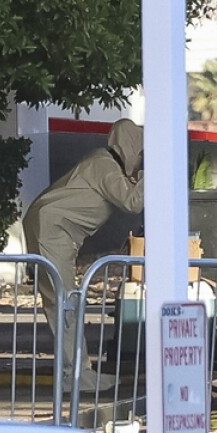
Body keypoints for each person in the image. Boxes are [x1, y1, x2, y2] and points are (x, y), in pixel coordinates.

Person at [24, 119, 145, 391]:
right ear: (130, 146)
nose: (139, 160)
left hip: (51, 228)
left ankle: (77, 372)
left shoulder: (103, 163)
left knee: (64, 302)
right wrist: (153, 174)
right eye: (139, 152)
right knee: (64, 303)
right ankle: (75, 375)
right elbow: (132, 202)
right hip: (52, 229)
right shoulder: (104, 165)